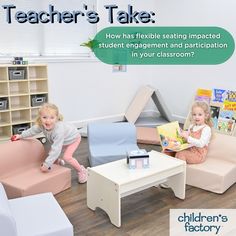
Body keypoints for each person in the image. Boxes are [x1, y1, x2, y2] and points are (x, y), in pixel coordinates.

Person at [11, 103, 87, 183]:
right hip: (63, 141)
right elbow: (32, 131)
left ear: (57, 118)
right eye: (44, 117)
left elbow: (56, 149)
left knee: (67, 157)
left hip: (73, 139)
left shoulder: (59, 131)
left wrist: (46, 165)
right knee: (51, 153)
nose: (48, 121)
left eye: (52, 118)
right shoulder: (41, 125)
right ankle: (58, 161)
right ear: (40, 118)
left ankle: (81, 170)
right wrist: (20, 136)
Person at [160, 101, 213, 188]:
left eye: (200, 114)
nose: (196, 117)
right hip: (188, 149)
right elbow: (186, 138)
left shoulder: (206, 129)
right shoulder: (192, 126)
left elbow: (201, 144)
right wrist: (180, 135)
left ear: (206, 115)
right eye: (194, 114)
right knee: (166, 151)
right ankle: (162, 176)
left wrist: (187, 138)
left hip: (198, 154)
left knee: (180, 154)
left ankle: (176, 180)